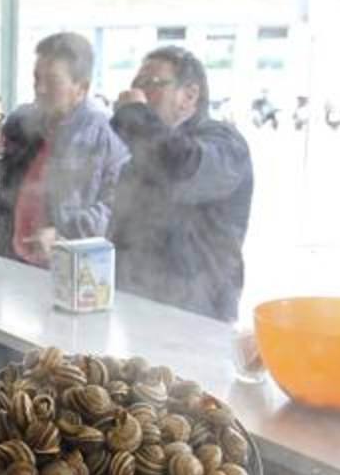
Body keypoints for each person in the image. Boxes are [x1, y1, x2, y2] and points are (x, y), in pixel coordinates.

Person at [106, 46, 254, 323]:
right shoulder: (146, 149)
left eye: (152, 84)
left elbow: (182, 170)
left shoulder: (224, 143)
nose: (139, 94)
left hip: (198, 310)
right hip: (140, 303)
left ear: (189, 95)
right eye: (137, 85)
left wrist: (136, 116)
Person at [0, 32, 128, 267]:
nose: (40, 89)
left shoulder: (105, 134)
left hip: (69, 267)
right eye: (36, 78)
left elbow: (115, 208)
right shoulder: (22, 120)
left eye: (52, 81)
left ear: (81, 87)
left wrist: (63, 235)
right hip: (12, 260)